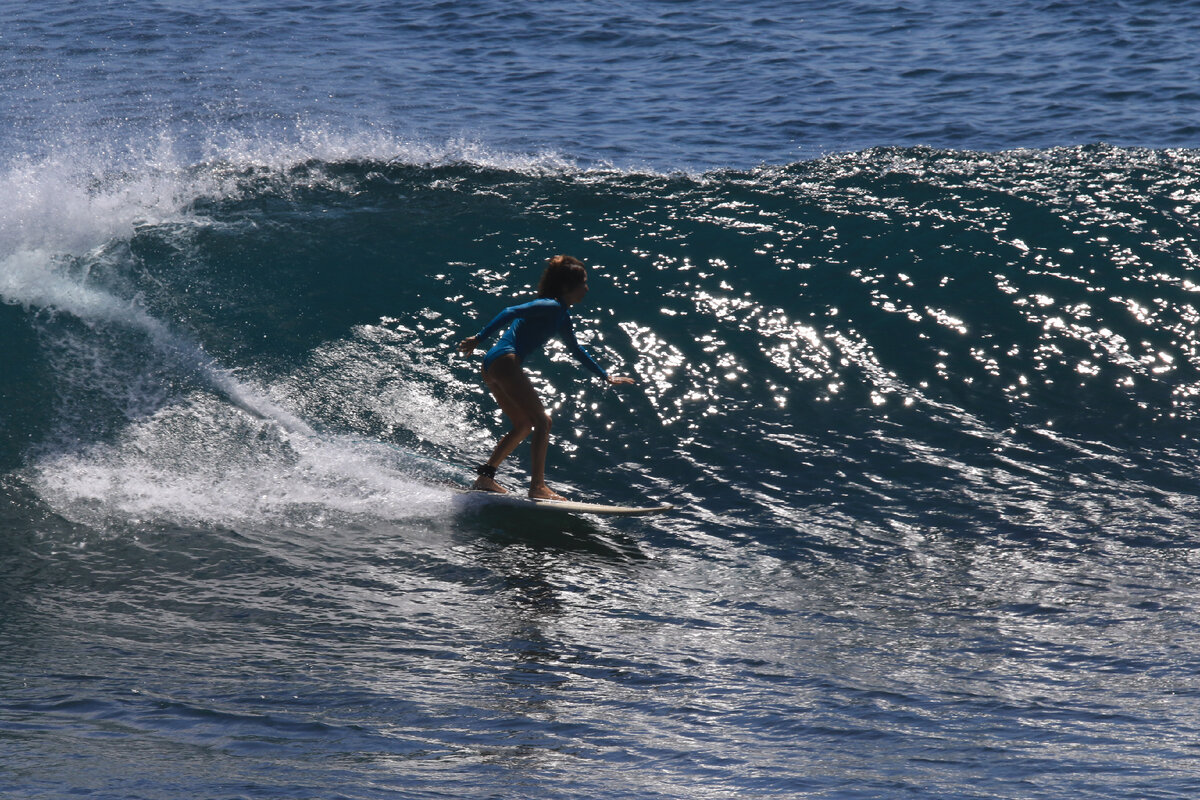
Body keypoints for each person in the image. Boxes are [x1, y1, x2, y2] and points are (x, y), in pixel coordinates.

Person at [457, 255, 635, 500]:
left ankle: (485, 477)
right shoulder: (550, 305)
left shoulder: (561, 315)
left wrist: (605, 375)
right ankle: (537, 487)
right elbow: (510, 310)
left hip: (493, 364)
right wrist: (478, 338)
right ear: (566, 287)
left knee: (524, 424)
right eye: (583, 282)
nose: (587, 288)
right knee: (543, 422)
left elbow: (576, 350)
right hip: (505, 360)